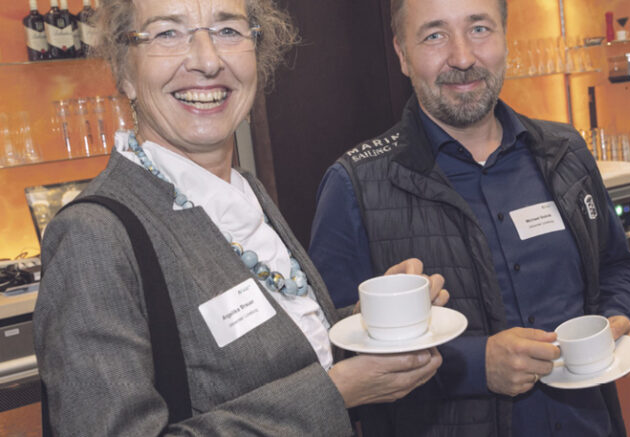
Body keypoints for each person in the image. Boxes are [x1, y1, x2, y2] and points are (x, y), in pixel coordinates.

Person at [34, 0, 448, 435]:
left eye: (228, 31)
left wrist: (365, 321)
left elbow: (258, 357)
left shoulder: (244, 192)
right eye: (168, 33)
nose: (208, 60)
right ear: (125, 72)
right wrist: (333, 394)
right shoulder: (93, 236)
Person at [309, 0, 630, 435]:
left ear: (505, 38)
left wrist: (620, 314)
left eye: (479, 29)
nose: (463, 57)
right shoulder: (354, 185)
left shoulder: (565, 152)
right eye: (434, 35)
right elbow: (330, 350)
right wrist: (474, 365)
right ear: (402, 55)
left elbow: (617, 265)